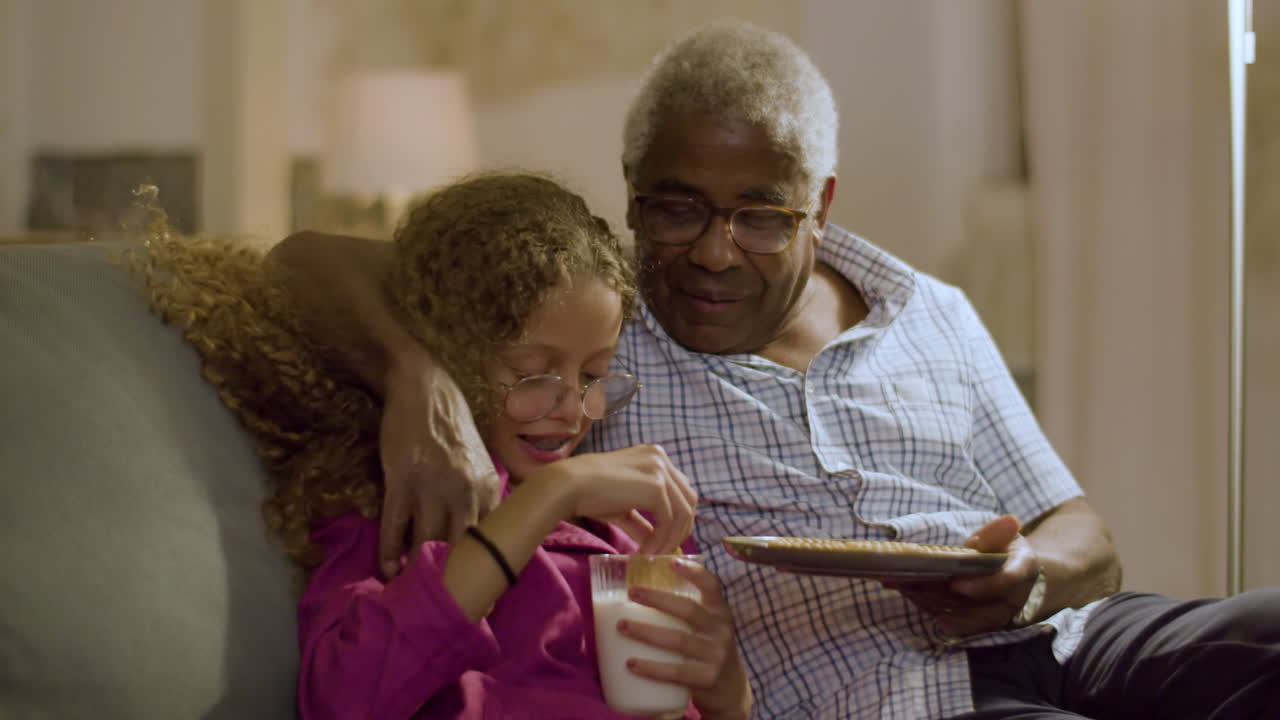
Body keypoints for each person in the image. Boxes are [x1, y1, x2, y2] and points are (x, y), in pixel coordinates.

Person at [266, 21, 1280, 720]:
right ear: (631, 197)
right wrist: (414, 376)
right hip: (893, 697)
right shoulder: (596, 336)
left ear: (820, 204)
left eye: (759, 215)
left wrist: (1022, 579)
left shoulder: (926, 308)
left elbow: (1087, 542)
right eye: (675, 208)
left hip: (1066, 637)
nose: (712, 250)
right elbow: (301, 260)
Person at [136, 173, 753, 719]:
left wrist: (731, 699)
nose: (573, 408)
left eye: (595, 374)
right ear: (450, 350)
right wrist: (551, 497)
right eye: (532, 371)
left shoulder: (633, 531)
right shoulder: (401, 510)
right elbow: (345, 700)